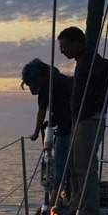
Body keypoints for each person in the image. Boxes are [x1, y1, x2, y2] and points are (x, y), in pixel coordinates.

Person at [57, 26, 108, 215]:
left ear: (77, 42)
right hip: (80, 118)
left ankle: (90, 209)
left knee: (85, 163)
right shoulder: (82, 61)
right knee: (75, 163)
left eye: (65, 46)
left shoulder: (90, 59)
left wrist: (104, 98)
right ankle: (77, 204)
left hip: (90, 118)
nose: (62, 51)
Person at [21, 58, 73, 199]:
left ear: (39, 77)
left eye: (32, 83)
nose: (32, 87)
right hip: (73, 124)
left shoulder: (49, 85)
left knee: (60, 162)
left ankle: (55, 200)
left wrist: (36, 132)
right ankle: (68, 196)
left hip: (68, 126)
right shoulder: (60, 80)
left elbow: (42, 110)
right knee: (70, 164)